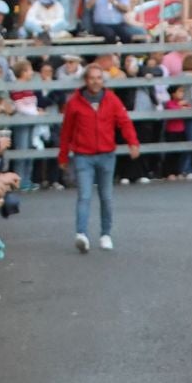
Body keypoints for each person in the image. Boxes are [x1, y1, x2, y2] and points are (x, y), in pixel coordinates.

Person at [57, 62, 141, 253]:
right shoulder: (74, 103)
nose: (95, 82)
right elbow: (66, 131)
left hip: (106, 154)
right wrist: (63, 155)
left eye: (99, 78)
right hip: (83, 155)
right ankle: (81, 234)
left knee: (106, 196)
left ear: (103, 81)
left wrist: (132, 142)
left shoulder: (111, 100)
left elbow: (124, 122)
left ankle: (105, 234)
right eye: (92, 78)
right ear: (86, 80)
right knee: (84, 196)